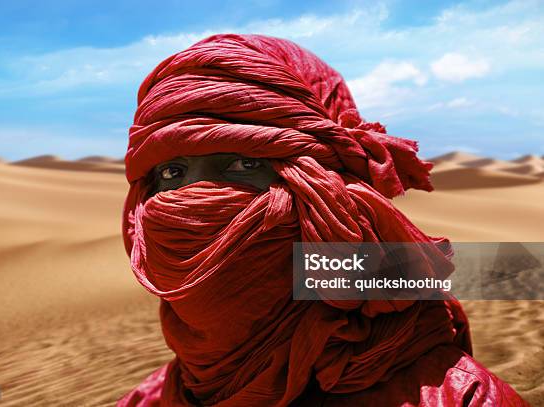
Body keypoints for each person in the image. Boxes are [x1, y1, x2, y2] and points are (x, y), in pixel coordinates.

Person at [118, 34, 527, 406]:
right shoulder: (147, 400)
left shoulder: (460, 398)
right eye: (171, 173)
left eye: (245, 163)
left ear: (337, 190)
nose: (192, 199)